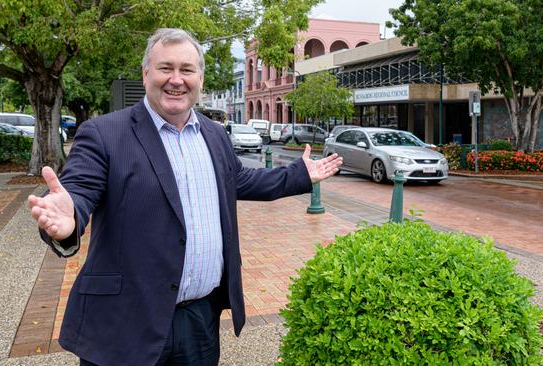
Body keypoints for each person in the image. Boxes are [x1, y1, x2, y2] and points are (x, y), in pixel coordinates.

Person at [27, 28, 342, 366]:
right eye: (165, 68)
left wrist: (299, 175)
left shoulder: (215, 134)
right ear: (146, 73)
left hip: (198, 321)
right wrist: (70, 213)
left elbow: (240, 180)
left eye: (186, 70)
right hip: (126, 321)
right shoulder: (105, 133)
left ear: (200, 79)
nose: (176, 80)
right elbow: (80, 187)